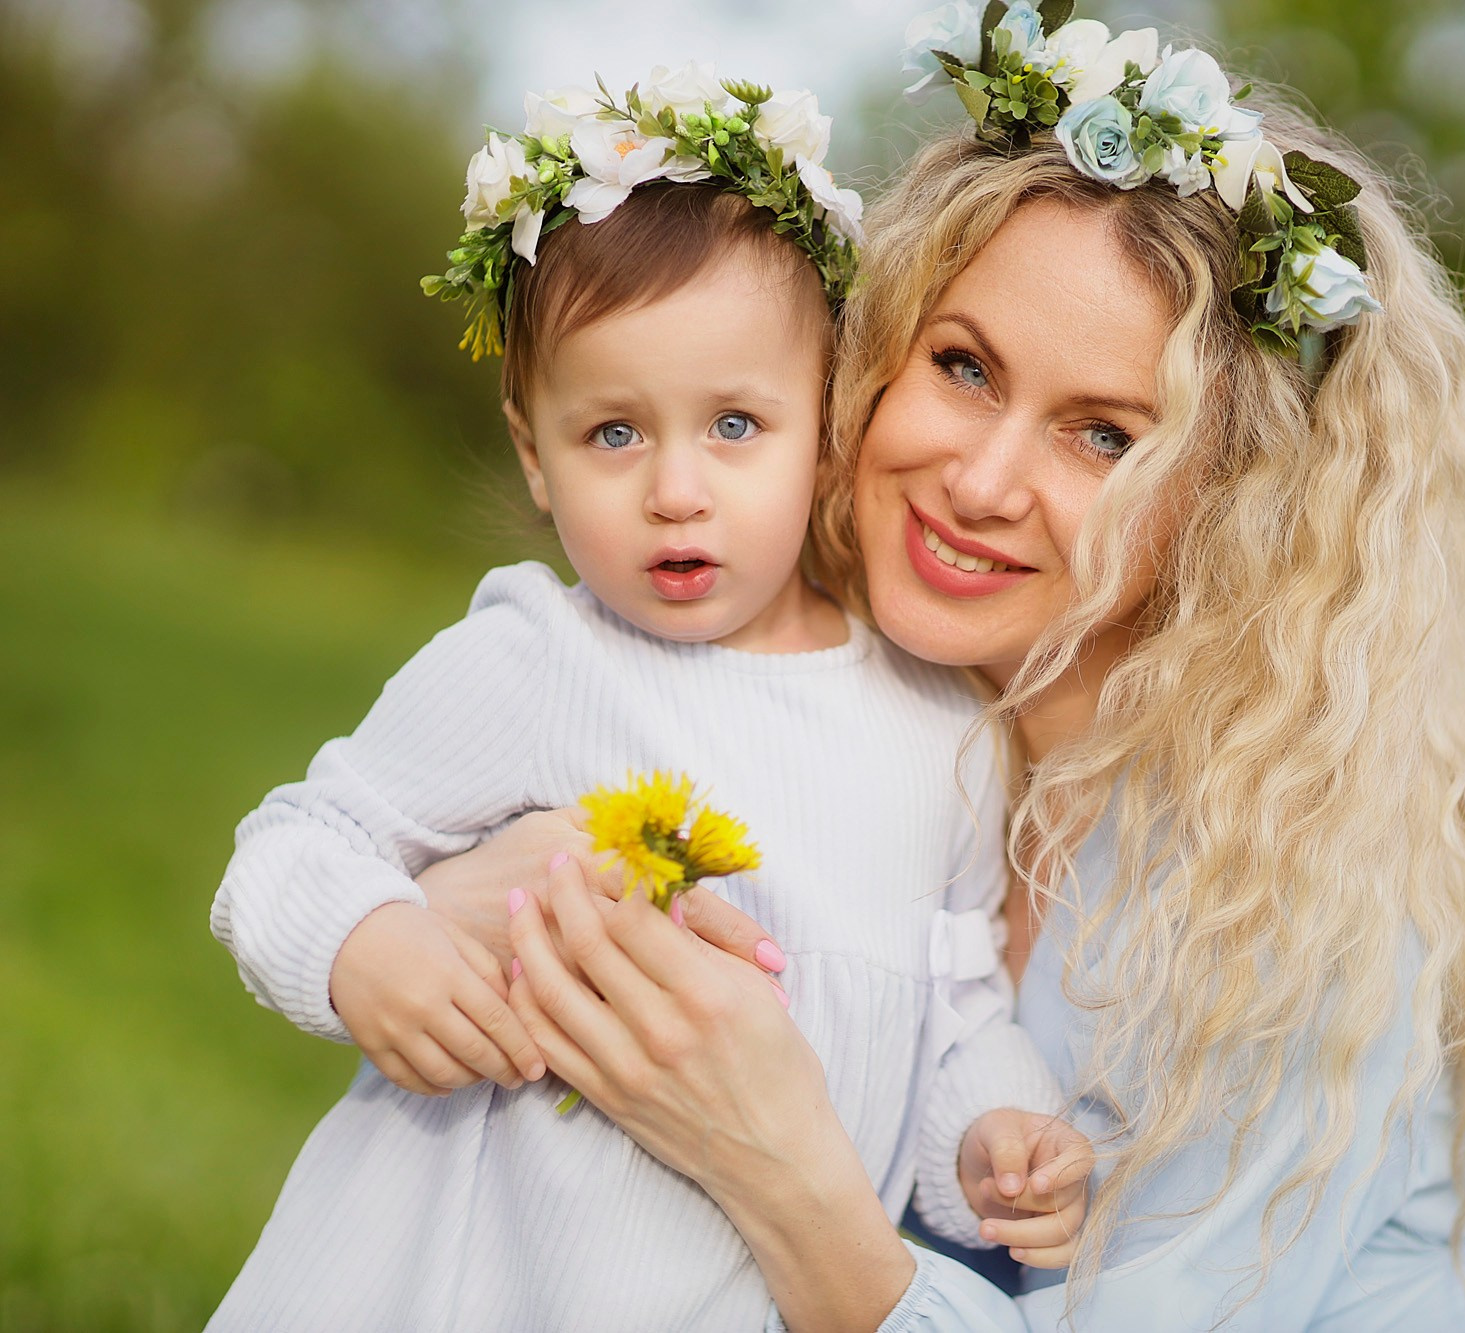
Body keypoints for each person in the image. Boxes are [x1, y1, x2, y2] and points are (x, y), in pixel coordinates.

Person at [423, 9, 1465, 1330]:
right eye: (963, 366)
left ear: (1233, 502)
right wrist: (495, 887)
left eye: (1103, 436)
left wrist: (776, 1167)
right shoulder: (866, 717)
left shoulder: (1294, 901)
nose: (983, 481)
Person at [206, 64, 1091, 1332]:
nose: (676, 491)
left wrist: (993, 1136)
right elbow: (298, 844)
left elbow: (952, 1017)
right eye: (613, 433)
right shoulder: (538, 656)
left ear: (825, 425)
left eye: (733, 426)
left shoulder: (936, 724)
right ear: (535, 452)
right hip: (466, 1282)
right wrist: (363, 946)